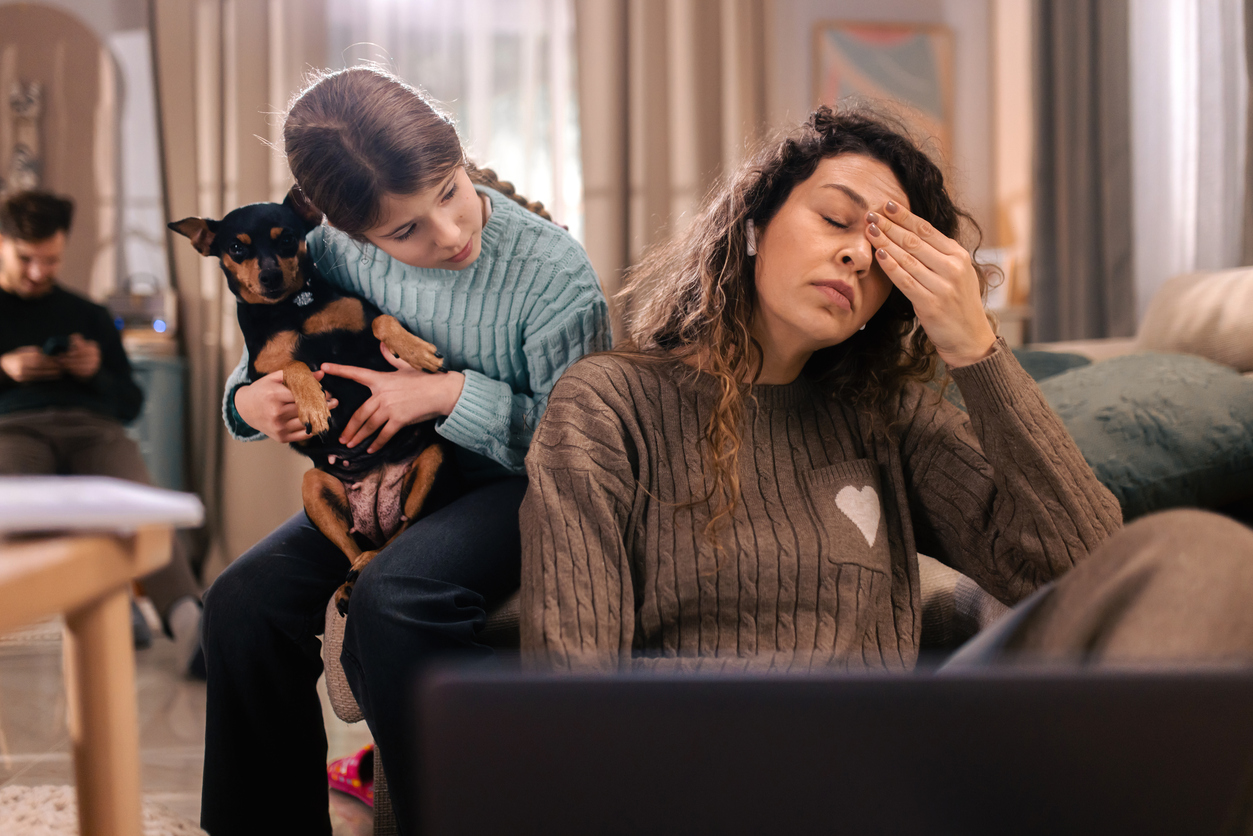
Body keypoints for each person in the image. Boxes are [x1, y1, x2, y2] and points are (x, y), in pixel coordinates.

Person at [519, 106, 1253, 673]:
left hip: (886, 756)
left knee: (1204, 555)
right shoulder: (606, 405)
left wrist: (974, 346)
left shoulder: (885, 419)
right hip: (701, 767)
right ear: (753, 224)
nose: (853, 252)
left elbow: (1085, 565)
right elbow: (570, 672)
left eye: (882, 258)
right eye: (836, 219)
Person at [198, 66, 610, 836]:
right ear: (346, 233)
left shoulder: (554, 276)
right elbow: (272, 342)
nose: (450, 234)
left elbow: (585, 453)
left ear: (458, 155)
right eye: (404, 231)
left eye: (450, 192)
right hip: (377, 477)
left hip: (510, 487)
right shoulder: (330, 253)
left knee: (394, 599)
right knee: (239, 604)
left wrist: (451, 395)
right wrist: (246, 400)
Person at [0, 189, 204, 672]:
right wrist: (5, 370)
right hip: (12, 429)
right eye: (27, 259)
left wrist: (95, 371)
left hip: (93, 429)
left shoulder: (87, 315)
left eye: (50, 260)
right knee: (13, 513)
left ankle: (191, 625)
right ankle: (106, 600)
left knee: (140, 505)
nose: (39, 272)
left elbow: (129, 404)